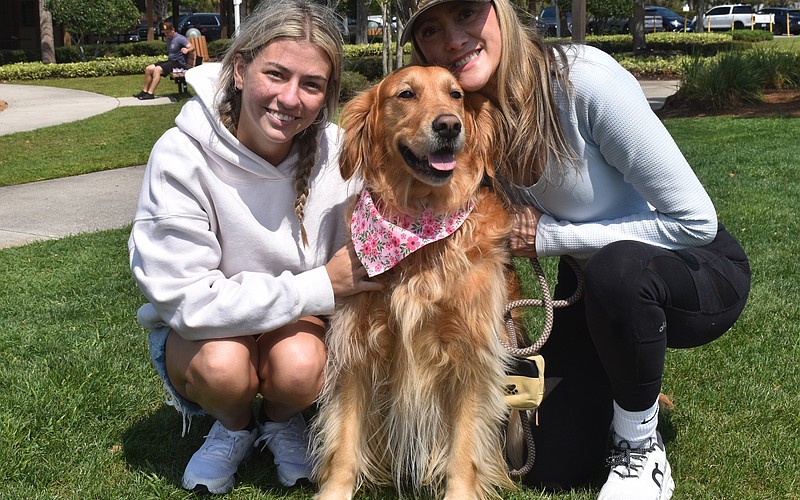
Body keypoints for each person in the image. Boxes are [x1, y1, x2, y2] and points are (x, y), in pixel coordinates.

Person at [399, 0, 751, 498]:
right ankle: (617, 386)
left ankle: (640, 449)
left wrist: (549, 237)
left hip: (696, 267)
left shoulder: (584, 81)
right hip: (590, 285)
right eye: (433, 29)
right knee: (552, 465)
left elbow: (695, 221)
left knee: (619, 271)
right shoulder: (468, 113)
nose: (453, 39)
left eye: (467, 13)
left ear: (501, 10)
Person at [128, 0, 380, 494]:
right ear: (240, 69)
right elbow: (187, 302)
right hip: (201, 336)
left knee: (302, 364)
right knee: (224, 367)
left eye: (311, 85)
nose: (290, 99)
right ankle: (234, 425)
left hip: (297, 327)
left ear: (327, 94)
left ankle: (282, 420)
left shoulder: (339, 154)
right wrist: (321, 285)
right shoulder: (182, 153)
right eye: (276, 74)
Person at [133, 21, 192, 100]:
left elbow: (192, 47)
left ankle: (150, 93)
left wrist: (187, 50)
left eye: (168, 32)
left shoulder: (180, 38)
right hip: (171, 61)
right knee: (148, 69)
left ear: (173, 30)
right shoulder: (168, 38)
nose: (166, 34)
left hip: (179, 63)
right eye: (165, 32)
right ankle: (145, 91)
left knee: (158, 70)